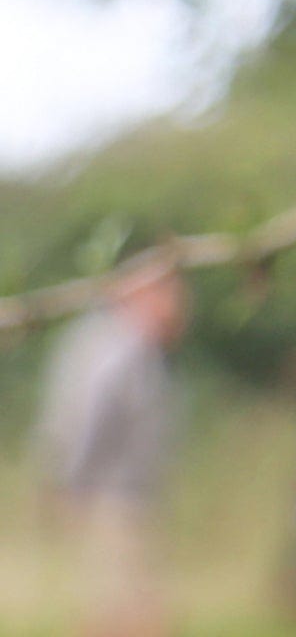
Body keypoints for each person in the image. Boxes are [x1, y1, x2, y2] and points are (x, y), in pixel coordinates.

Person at [36, 253, 188, 637]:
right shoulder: (122, 347)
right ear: (142, 294)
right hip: (112, 496)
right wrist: (75, 482)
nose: (179, 306)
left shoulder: (113, 341)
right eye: (169, 293)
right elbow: (92, 419)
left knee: (119, 605)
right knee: (128, 610)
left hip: (123, 495)